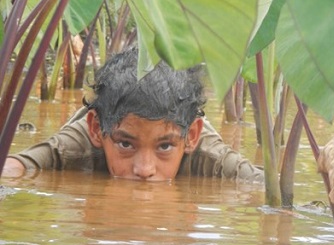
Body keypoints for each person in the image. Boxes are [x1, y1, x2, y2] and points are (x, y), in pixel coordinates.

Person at [3, 46, 264, 183]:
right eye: (126, 144)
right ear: (96, 131)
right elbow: (14, 166)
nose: (144, 170)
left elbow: (262, 185)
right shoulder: (80, 142)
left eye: (164, 147)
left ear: (192, 137)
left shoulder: (209, 156)